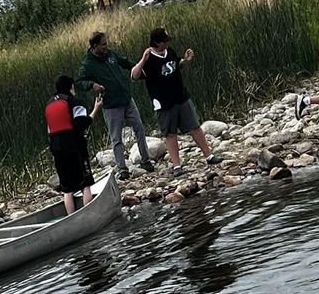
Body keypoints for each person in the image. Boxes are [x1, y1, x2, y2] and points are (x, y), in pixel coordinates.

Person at [131, 27, 224, 177]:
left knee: (195, 127)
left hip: (181, 96)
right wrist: (143, 59)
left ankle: (209, 156)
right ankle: (177, 166)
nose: (167, 43)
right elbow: (134, 76)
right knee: (170, 133)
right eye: (165, 41)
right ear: (157, 42)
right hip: (163, 102)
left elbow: (174, 65)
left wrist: (185, 61)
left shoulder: (170, 51)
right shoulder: (149, 59)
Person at [76, 30, 154, 181]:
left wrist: (140, 67)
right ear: (94, 46)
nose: (106, 46)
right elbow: (79, 82)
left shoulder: (110, 54)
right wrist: (92, 85)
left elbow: (124, 62)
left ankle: (146, 161)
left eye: (106, 44)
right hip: (111, 105)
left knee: (139, 129)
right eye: (103, 44)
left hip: (127, 99)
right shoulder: (88, 64)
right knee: (116, 138)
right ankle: (122, 168)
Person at [45, 75, 103, 214]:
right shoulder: (74, 101)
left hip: (57, 149)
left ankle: (71, 216)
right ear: (71, 87)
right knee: (85, 183)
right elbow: (81, 123)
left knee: (67, 188)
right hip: (74, 147)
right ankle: (88, 215)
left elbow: (49, 129)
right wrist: (96, 109)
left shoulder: (49, 104)